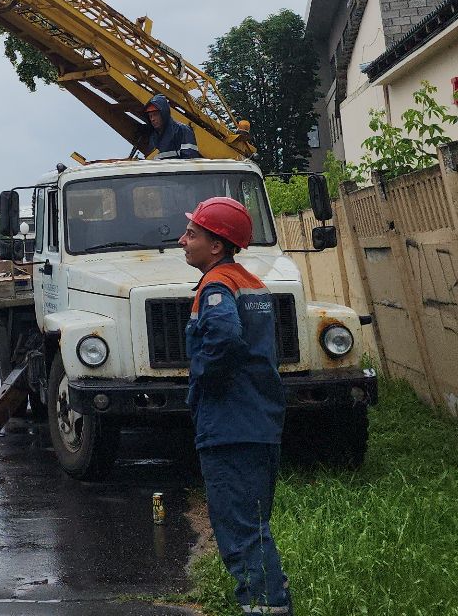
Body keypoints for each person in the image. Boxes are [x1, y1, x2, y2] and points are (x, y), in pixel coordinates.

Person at [180, 196, 291, 615]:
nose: (182, 240)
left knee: (240, 530)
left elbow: (224, 340)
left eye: (192, 234)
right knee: (255, 523)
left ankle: (265, 607)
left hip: (230, 423)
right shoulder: (251, 283)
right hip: (259, 419)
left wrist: (199, 384)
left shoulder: (216, 286)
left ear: (217, 244)